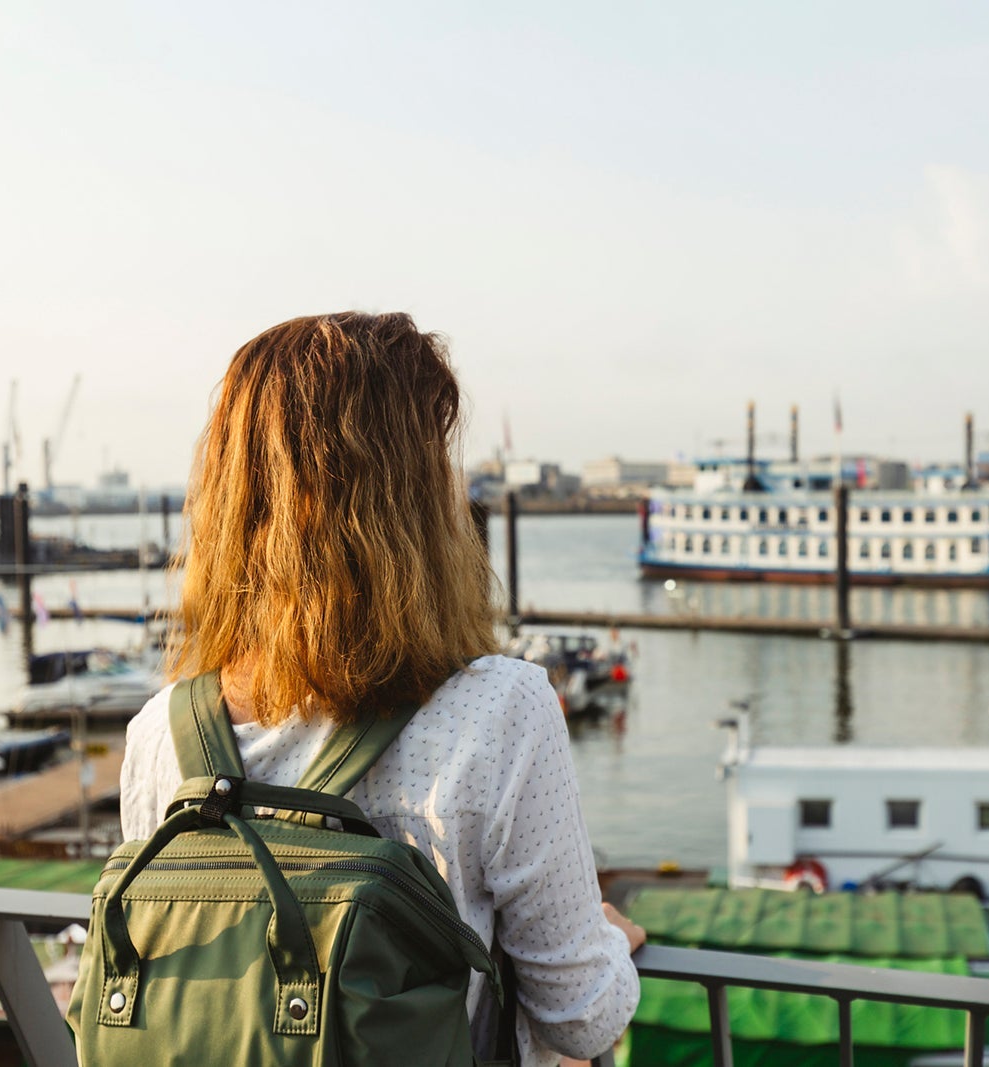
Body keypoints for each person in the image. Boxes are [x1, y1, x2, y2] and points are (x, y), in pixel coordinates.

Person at [119, 312, 642, 1065]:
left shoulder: (158, 734)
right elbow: (581, 1018)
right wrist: (615, 946)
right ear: (413, 500)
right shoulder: (500, 710)